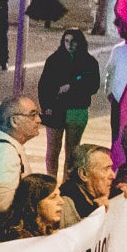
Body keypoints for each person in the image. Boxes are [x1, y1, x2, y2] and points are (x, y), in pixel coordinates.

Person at [37, 29, 102, 175]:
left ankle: (67, 184)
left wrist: (72, 86)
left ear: (80, 42)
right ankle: (51, 181)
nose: (70, 45)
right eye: (66, 41)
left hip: (77, 110)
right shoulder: (54, 60)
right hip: (55, 110)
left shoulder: (90, 62)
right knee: (52, 150)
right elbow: (44, 86)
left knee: (72, 152)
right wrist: (46, 106)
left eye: (73, 41)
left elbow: (94, 86)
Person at [0, 95, 43, 217]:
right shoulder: (4, 153)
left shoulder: (7, 146)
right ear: (14, 121)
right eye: (32, 115)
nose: (39, 120)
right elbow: (3, 206)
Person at [62, 143, 114, 222]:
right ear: (83, 174)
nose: (113, 176)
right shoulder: (66, 204)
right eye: (106, 169)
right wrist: (97, 214)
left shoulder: (95, 194)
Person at [100, 32, 127, 141]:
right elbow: (110, 71)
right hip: (118, 98)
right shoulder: (118, 49)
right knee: (116, 132)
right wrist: (108, 91)